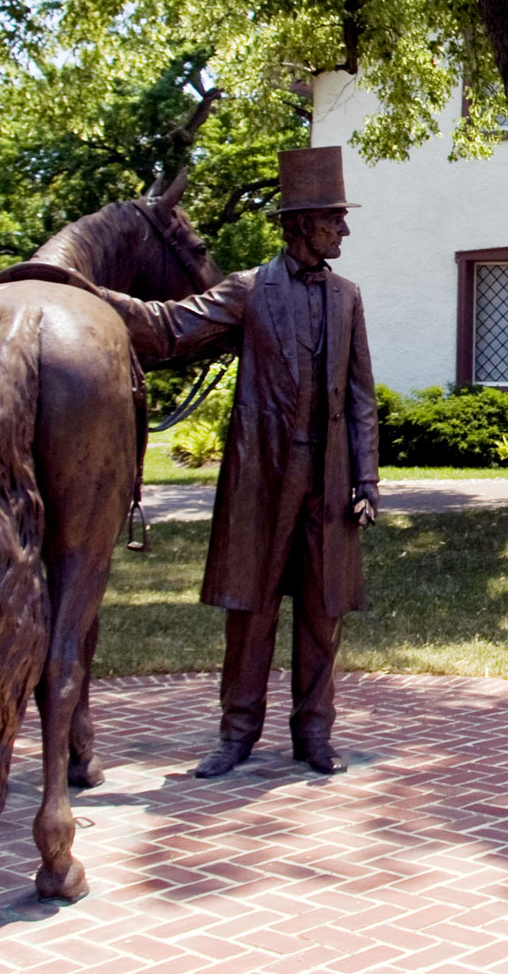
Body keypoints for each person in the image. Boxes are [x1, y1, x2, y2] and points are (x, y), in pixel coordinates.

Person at [108, 146, 378, 776]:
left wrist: (365, 478)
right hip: (264, 477)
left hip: (329, 480)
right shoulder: (249, 291)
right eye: (335, 218)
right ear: (302, 224)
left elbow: (361, 397)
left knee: (322, 610)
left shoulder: (347, 298)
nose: (344, 229)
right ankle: (237, 733)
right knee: (249, 609)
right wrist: (86, 291)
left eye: (342, 217)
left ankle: (315, 733)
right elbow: (169, 327)